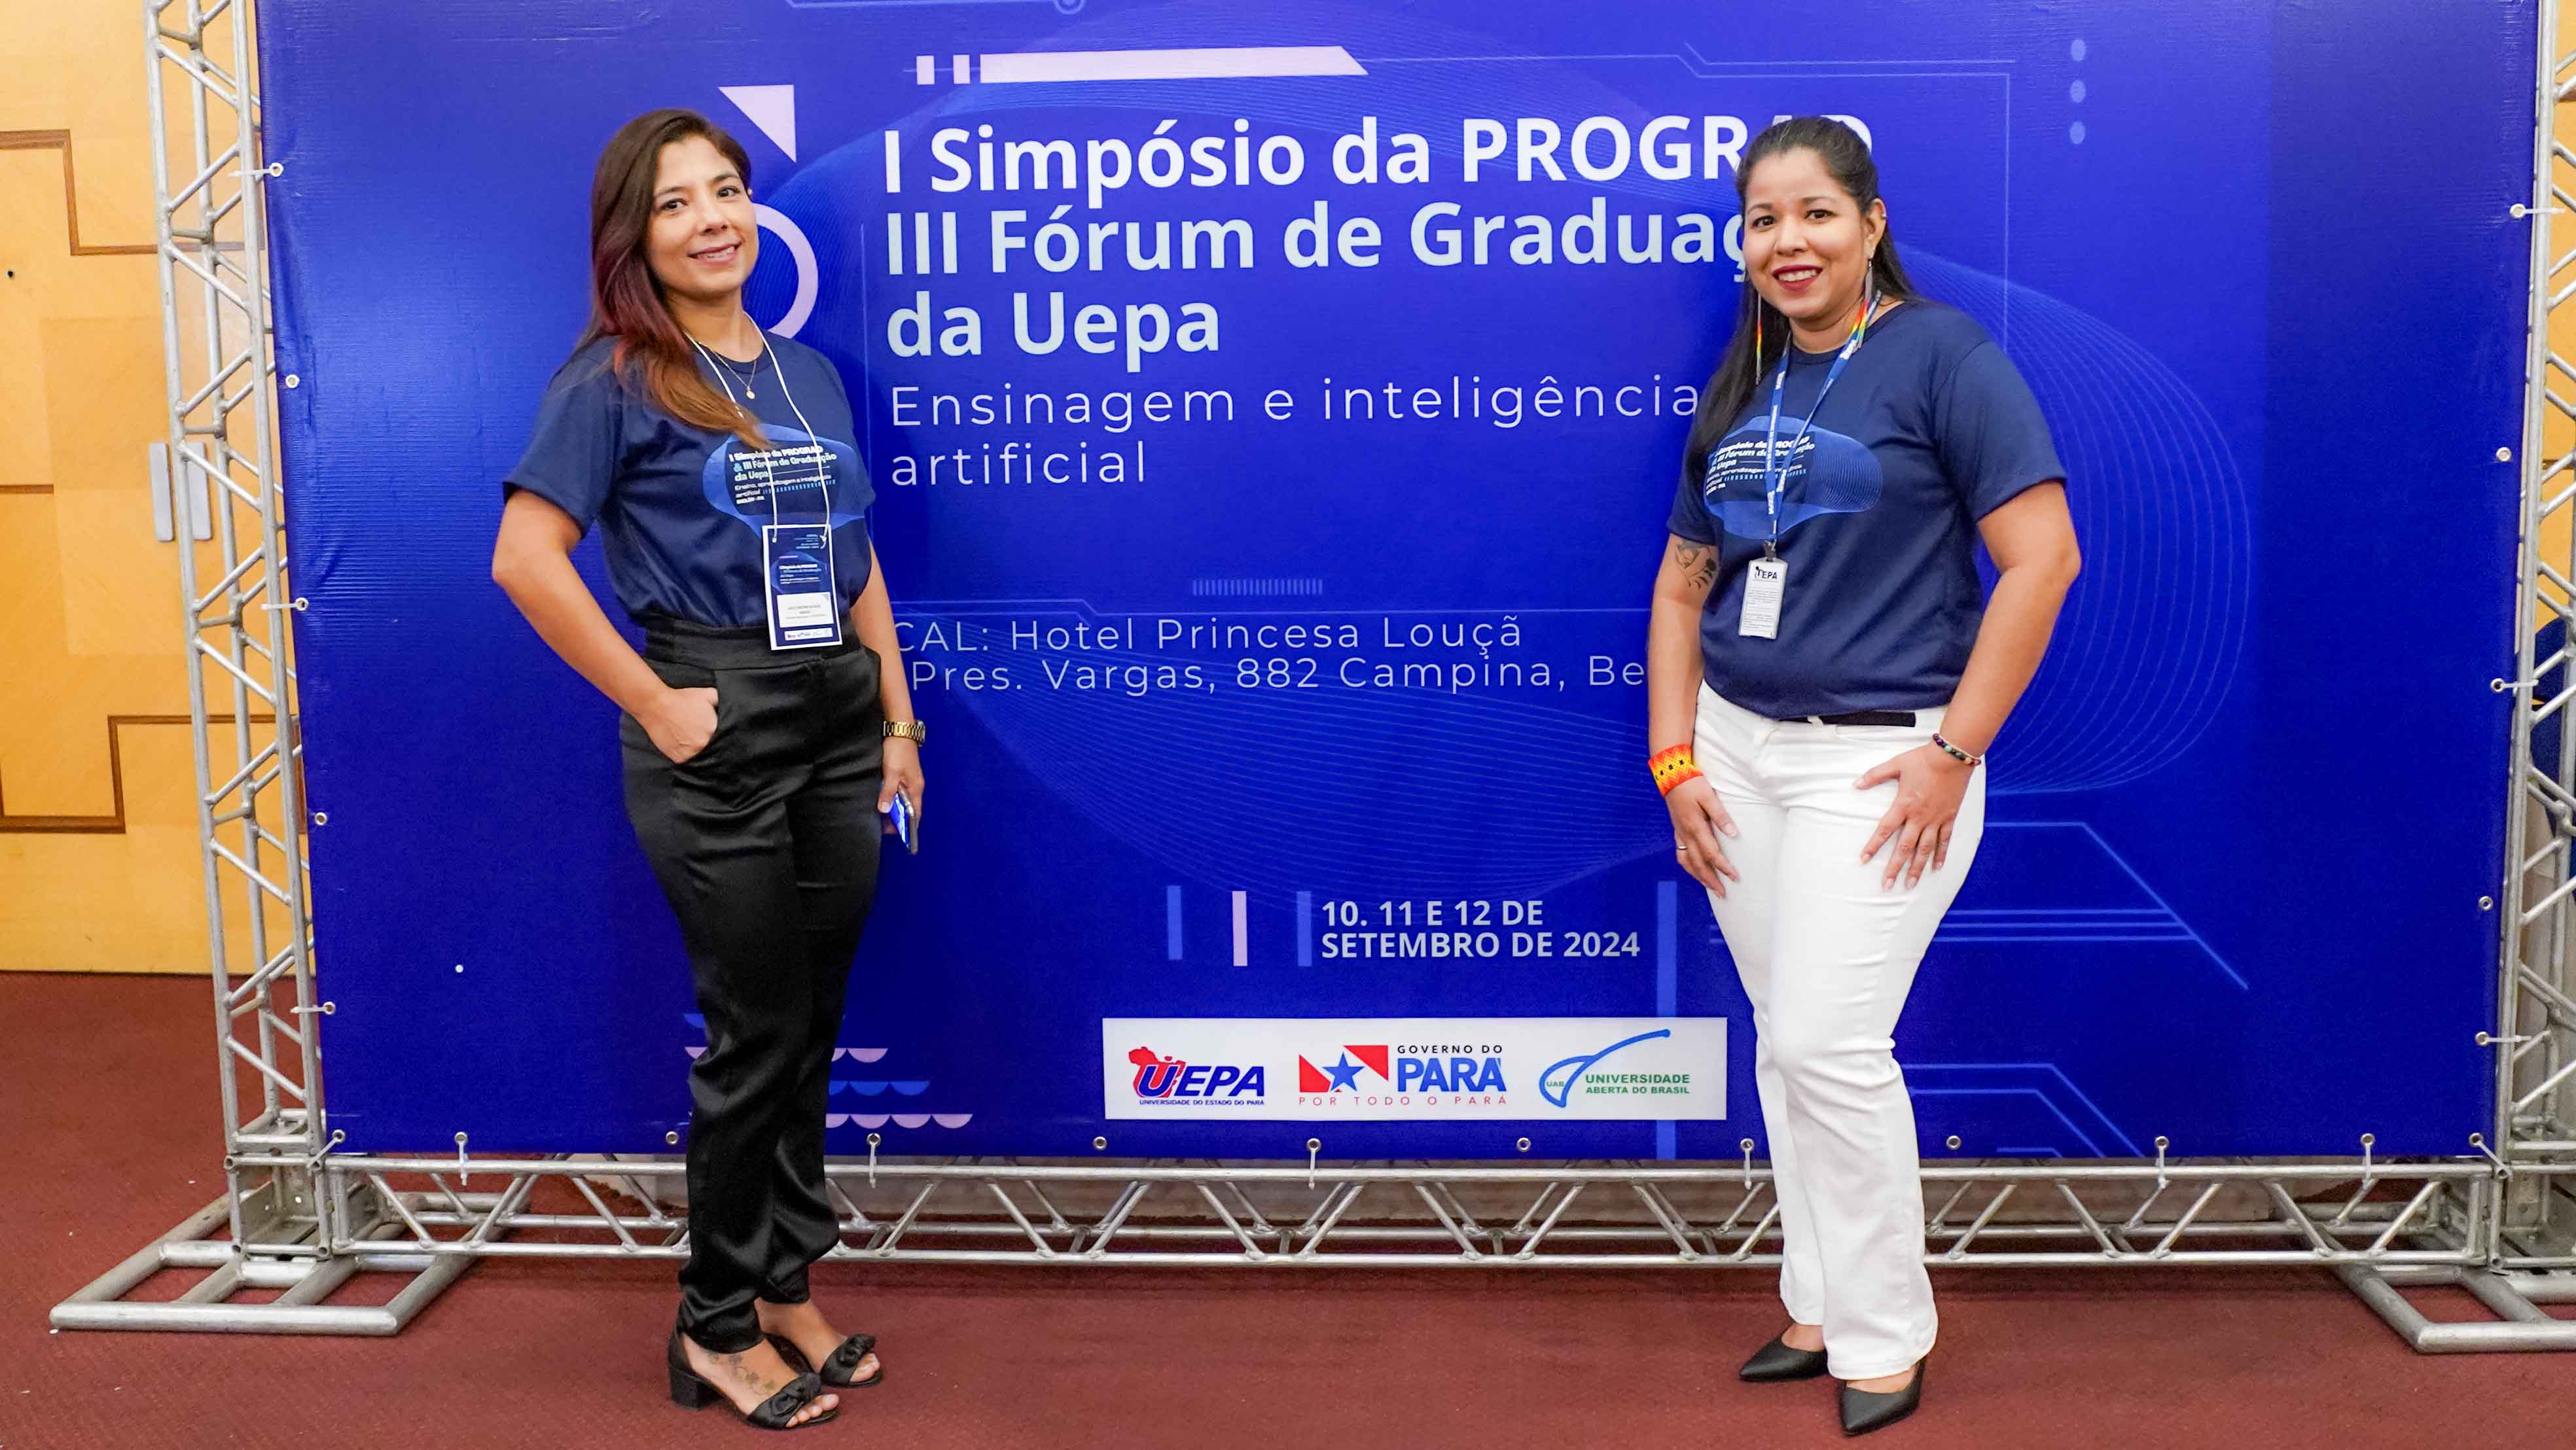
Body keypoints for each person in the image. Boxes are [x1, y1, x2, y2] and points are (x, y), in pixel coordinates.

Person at [491, 108, 925, 1432]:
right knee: (757, 1034)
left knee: (810, 1024)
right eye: (674, 202)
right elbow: (524, 559)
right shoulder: (616, 378)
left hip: (838, 718)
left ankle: (785, 1287)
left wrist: (897, 723)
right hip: (717, 719)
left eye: (725, 190)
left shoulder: (809, 374)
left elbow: (855, 559)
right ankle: (714, 1323)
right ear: (635, 237)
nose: (710, 219)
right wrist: (657, 703)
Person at [1647, 116, 2081, 1436]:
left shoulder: (1944, 356)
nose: (1789, 241)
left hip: (1884, 765)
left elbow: (2045, 558)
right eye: (1764, 219)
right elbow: (1681, 589)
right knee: (1788, 1048)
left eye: (1816, 213)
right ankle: (1820, 1304)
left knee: (1826, 1044)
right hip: (1736, 757)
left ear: (1871, 223)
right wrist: (1676, 758)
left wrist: (1956, 751)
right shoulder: (1747, 383)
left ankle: (1887, 1333)